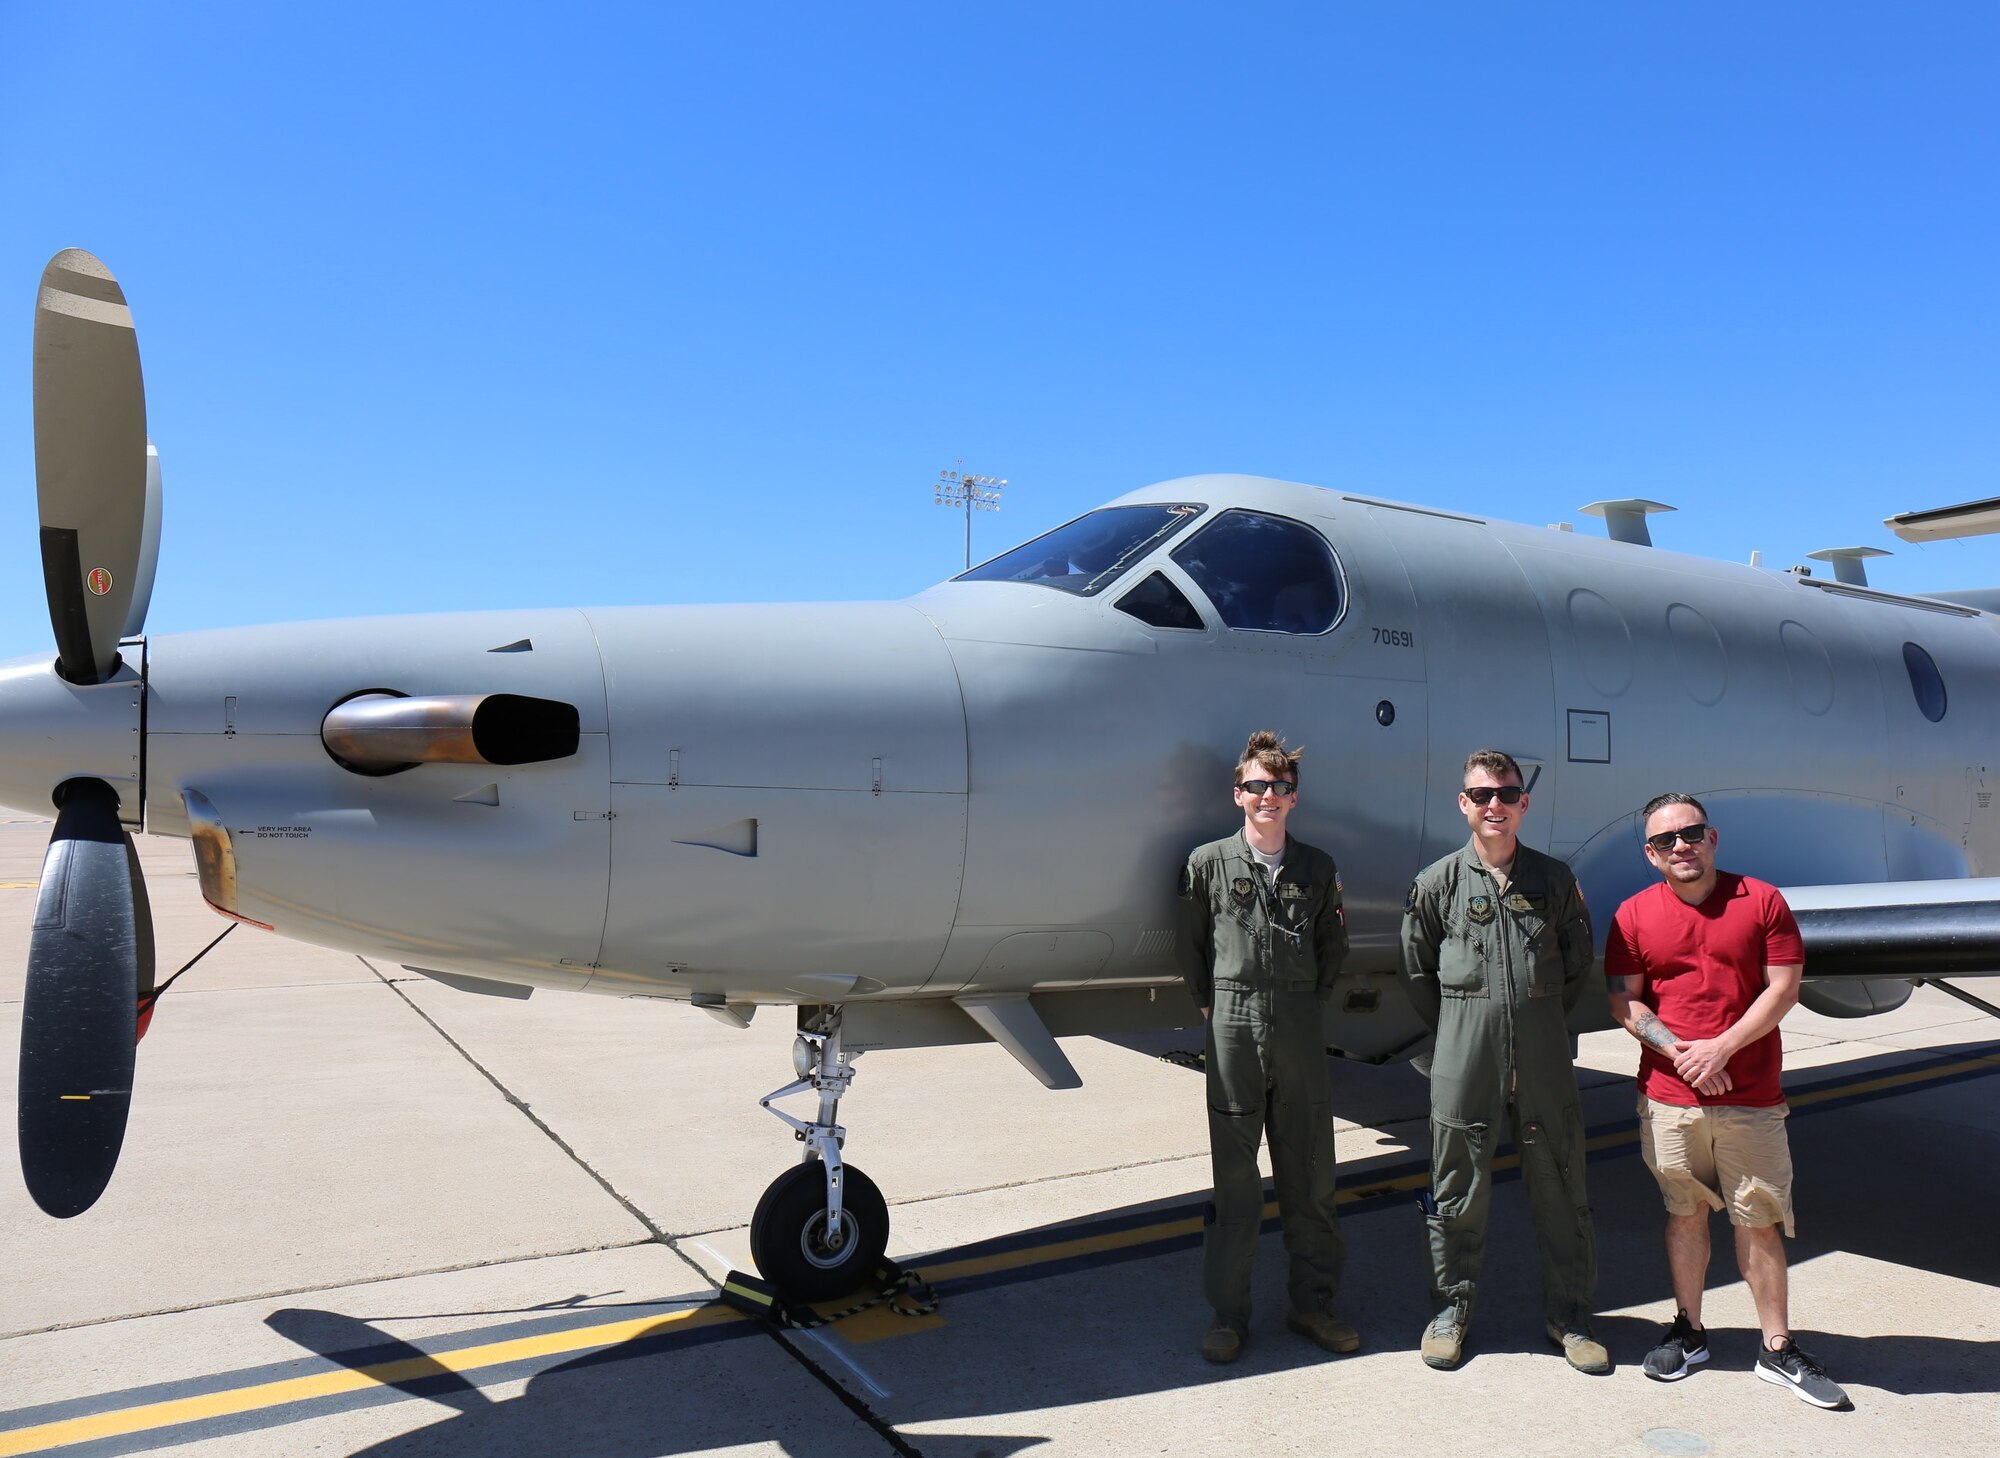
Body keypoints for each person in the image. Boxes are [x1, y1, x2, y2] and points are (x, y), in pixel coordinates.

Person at [1605, 793, 1848, 1409]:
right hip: (1669, 1096)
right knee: (1685, 1214)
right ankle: (1689, 1332)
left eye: (1691, 834)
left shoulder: (1761, 901)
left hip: (1752, 1097)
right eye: (1665, 841)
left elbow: (1783, 988)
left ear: (1713, 839)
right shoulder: (1633, 915)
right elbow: (1626, 1002)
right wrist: (1683, 1053)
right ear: (1650, 854)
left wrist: (1720, 1049)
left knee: (1758, 1219)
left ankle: (1776, 1347)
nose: (1680, 847)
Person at [1398, 749, 1607, 1374]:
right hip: (1465, 1055)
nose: (1495, 805)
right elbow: (1417, 972)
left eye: (1506, 794)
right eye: (1481, 795)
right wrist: (1467, 1026)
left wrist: (1532, 1017)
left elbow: (1574, 966)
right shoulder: (1437, 884)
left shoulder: (1554, 881)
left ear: (1524, 803)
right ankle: (1450, 1311)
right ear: (1464, 804)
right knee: (1456, 1188)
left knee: (1563, 1184)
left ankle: (1570, 1316)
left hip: (1542, 1056)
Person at [1175, 730, 1355, 1364]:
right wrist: (1215, 1002)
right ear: (1238, 794)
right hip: (1233, 1023)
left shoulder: (1317, 868)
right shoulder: (1207, 864)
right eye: (1257, 786)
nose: (1268, 797)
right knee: (1236, 1182)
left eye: (1279, 787)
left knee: (1311, 1175)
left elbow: (1333, 951)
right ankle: (1229, 1316)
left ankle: (1315, 1305)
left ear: (1293, 798)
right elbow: (1191, 942)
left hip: (1299, 1028)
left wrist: (1305, 1004)